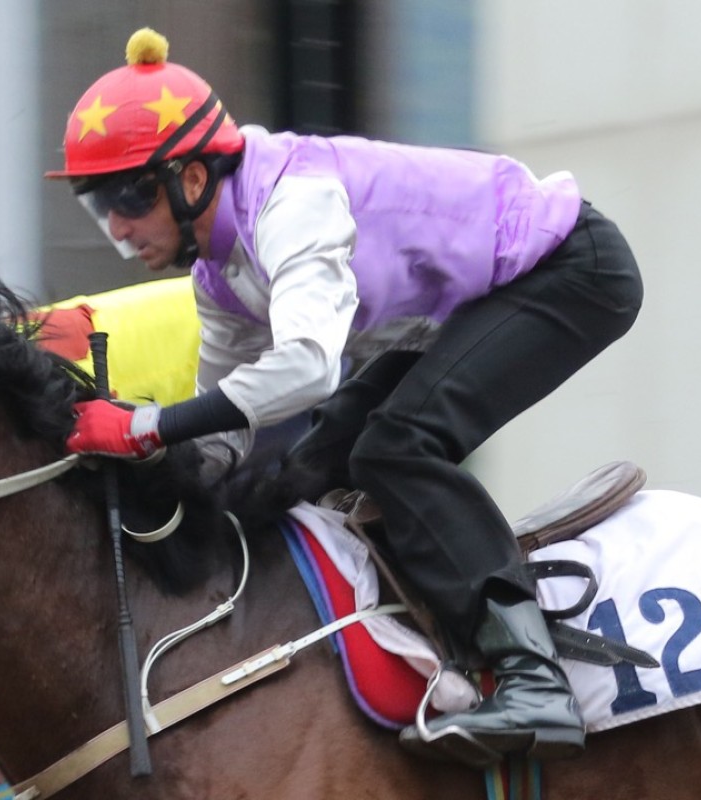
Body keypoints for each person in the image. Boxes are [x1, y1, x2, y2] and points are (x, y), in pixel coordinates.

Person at [46, 27, 643, 768]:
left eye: (127, 199)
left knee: (395, 445)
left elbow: (304, 368)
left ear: (192, 178)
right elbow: (228, 428)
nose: (118, 229)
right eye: (96, 207)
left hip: (571, 271)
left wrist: (147, 425)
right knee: (314, 460)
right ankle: (438, 640)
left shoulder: (291, 204)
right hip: (474, 303)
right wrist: (141, 483)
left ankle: (534, 682)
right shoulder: (218, 275)